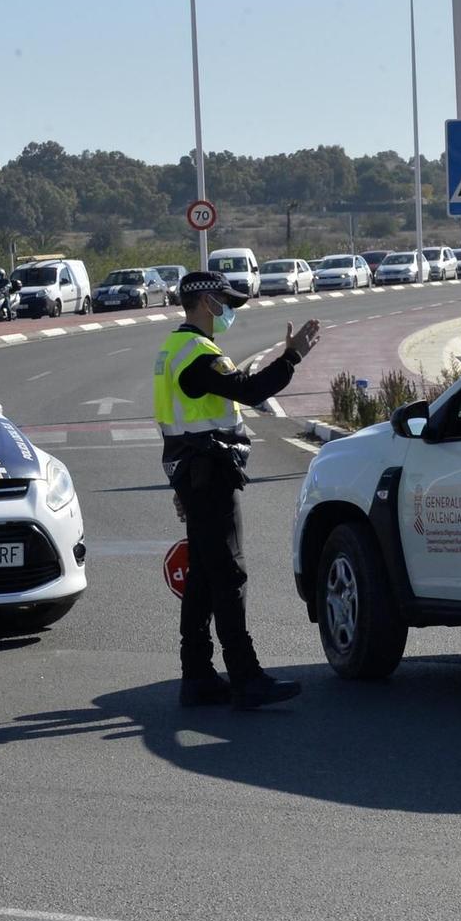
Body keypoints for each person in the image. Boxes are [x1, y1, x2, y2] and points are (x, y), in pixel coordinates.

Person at [154, 271, 321, 709]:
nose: (229, 311)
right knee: (228, 574)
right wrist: (292, 357)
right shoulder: (196, 352)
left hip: (195, 472)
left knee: (206, 576)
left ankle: (198, 675)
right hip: (208, 473)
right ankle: (245, 677)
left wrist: (180, 483)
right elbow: (250, 391)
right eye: (226, 302)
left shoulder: (173, 348)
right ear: (206, 302)